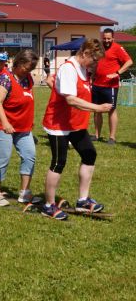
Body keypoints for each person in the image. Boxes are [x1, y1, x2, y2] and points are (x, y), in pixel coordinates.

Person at [41, 39, 112, 220]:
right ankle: (48, 205)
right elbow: (71, 100)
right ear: (85, 53)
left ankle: (83, 200)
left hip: (75, 123)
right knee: (59, 162)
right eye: (94, 60)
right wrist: (97, 108)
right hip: (58, 124)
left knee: (89, 154)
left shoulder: (84, 69)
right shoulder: (69, 69)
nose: (95, 64)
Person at [0, 49, 39, 206]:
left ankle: (25, 193)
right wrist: (5, 123)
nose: (29, 70)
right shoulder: (5, 78)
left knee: (29, 155)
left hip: (23, 127)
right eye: (27, 67)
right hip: (2, 125)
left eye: (32, 68)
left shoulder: (28, 78)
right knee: (3, 156)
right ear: (19, 62)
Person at [92, 28, 133, 145]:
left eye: (108, 38)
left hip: (110, 86)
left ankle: (112, 137)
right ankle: (96, 135)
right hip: (97, 84)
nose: (106, 41)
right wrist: (92, 76)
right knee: (97, 110)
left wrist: (117, 73)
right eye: (104, 38)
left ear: (113, 38)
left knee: (111, 110)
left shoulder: (118, 48)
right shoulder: (99, 48)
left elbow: (129, 62)